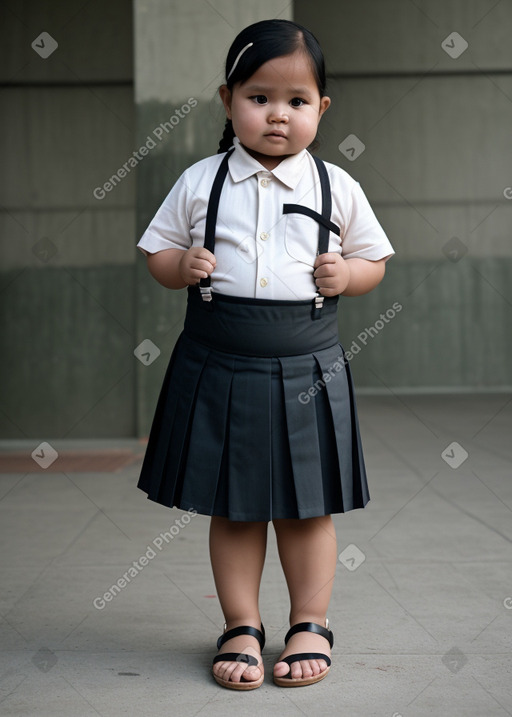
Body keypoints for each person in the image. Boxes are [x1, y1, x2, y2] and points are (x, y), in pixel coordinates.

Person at [136, 18, 394, 690]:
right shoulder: (200, 181)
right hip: (218, 359)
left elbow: (375, 260)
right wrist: (180, 265)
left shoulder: (337, 187)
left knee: (308, 505)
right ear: (228, 100)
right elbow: (156, 255)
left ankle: (311, 620)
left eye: (297, 101)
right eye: (259, 97)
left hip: (309, 363)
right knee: (236, 505)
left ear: (321, 109)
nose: (278, 115)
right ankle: (241, 623)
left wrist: (350, 275)